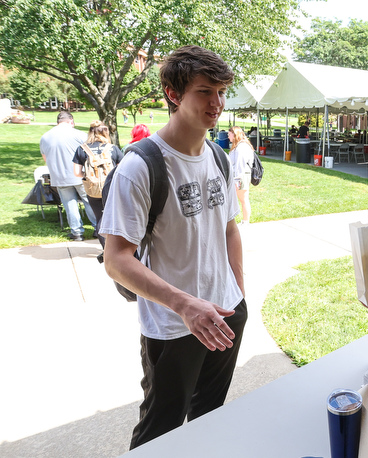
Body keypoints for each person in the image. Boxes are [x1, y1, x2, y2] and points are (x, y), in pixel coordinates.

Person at [101, 45, 246, 449]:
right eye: (204, 91)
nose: (216, 103)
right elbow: (116, 260)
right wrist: (185, 305)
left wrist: (238, 289)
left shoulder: (219, 156)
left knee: (209, 418)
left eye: (221, 91)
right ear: (172, 93)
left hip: (227, 312)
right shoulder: (141, 166)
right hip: (173, 325)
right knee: (159, 432)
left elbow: (230, 228)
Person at [39, 111, 97, 241]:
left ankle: (76, 232)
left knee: (69, 204)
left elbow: (45, 158)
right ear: (71, 121)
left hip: (59, 176)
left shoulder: (45, 137)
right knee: (89, 201)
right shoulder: (79, 134)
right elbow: (91, 155)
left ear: (58, 122)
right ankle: (98, 229)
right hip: (81, 175)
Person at [72, 120, 124, 250]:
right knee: (115, 217)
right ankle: (117, 249)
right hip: (111, 189)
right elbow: (122, 169)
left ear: (90, 132)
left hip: (93, 190)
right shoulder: (112, 149)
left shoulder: (82, 149)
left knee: (100, 218)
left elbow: (77, 173)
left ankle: (105, 249)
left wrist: (90, 176)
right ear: (105, 132)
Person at [227, 126, 254, 225]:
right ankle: (245, 220)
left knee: (243, 199)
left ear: (234, 134)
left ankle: (245, 221)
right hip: (241, 174)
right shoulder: (239, 145)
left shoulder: (241, 147)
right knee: (243, 199)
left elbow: (240, 165)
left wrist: (236, 180)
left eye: (229, 134)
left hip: (241, 175)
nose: (228, 136)